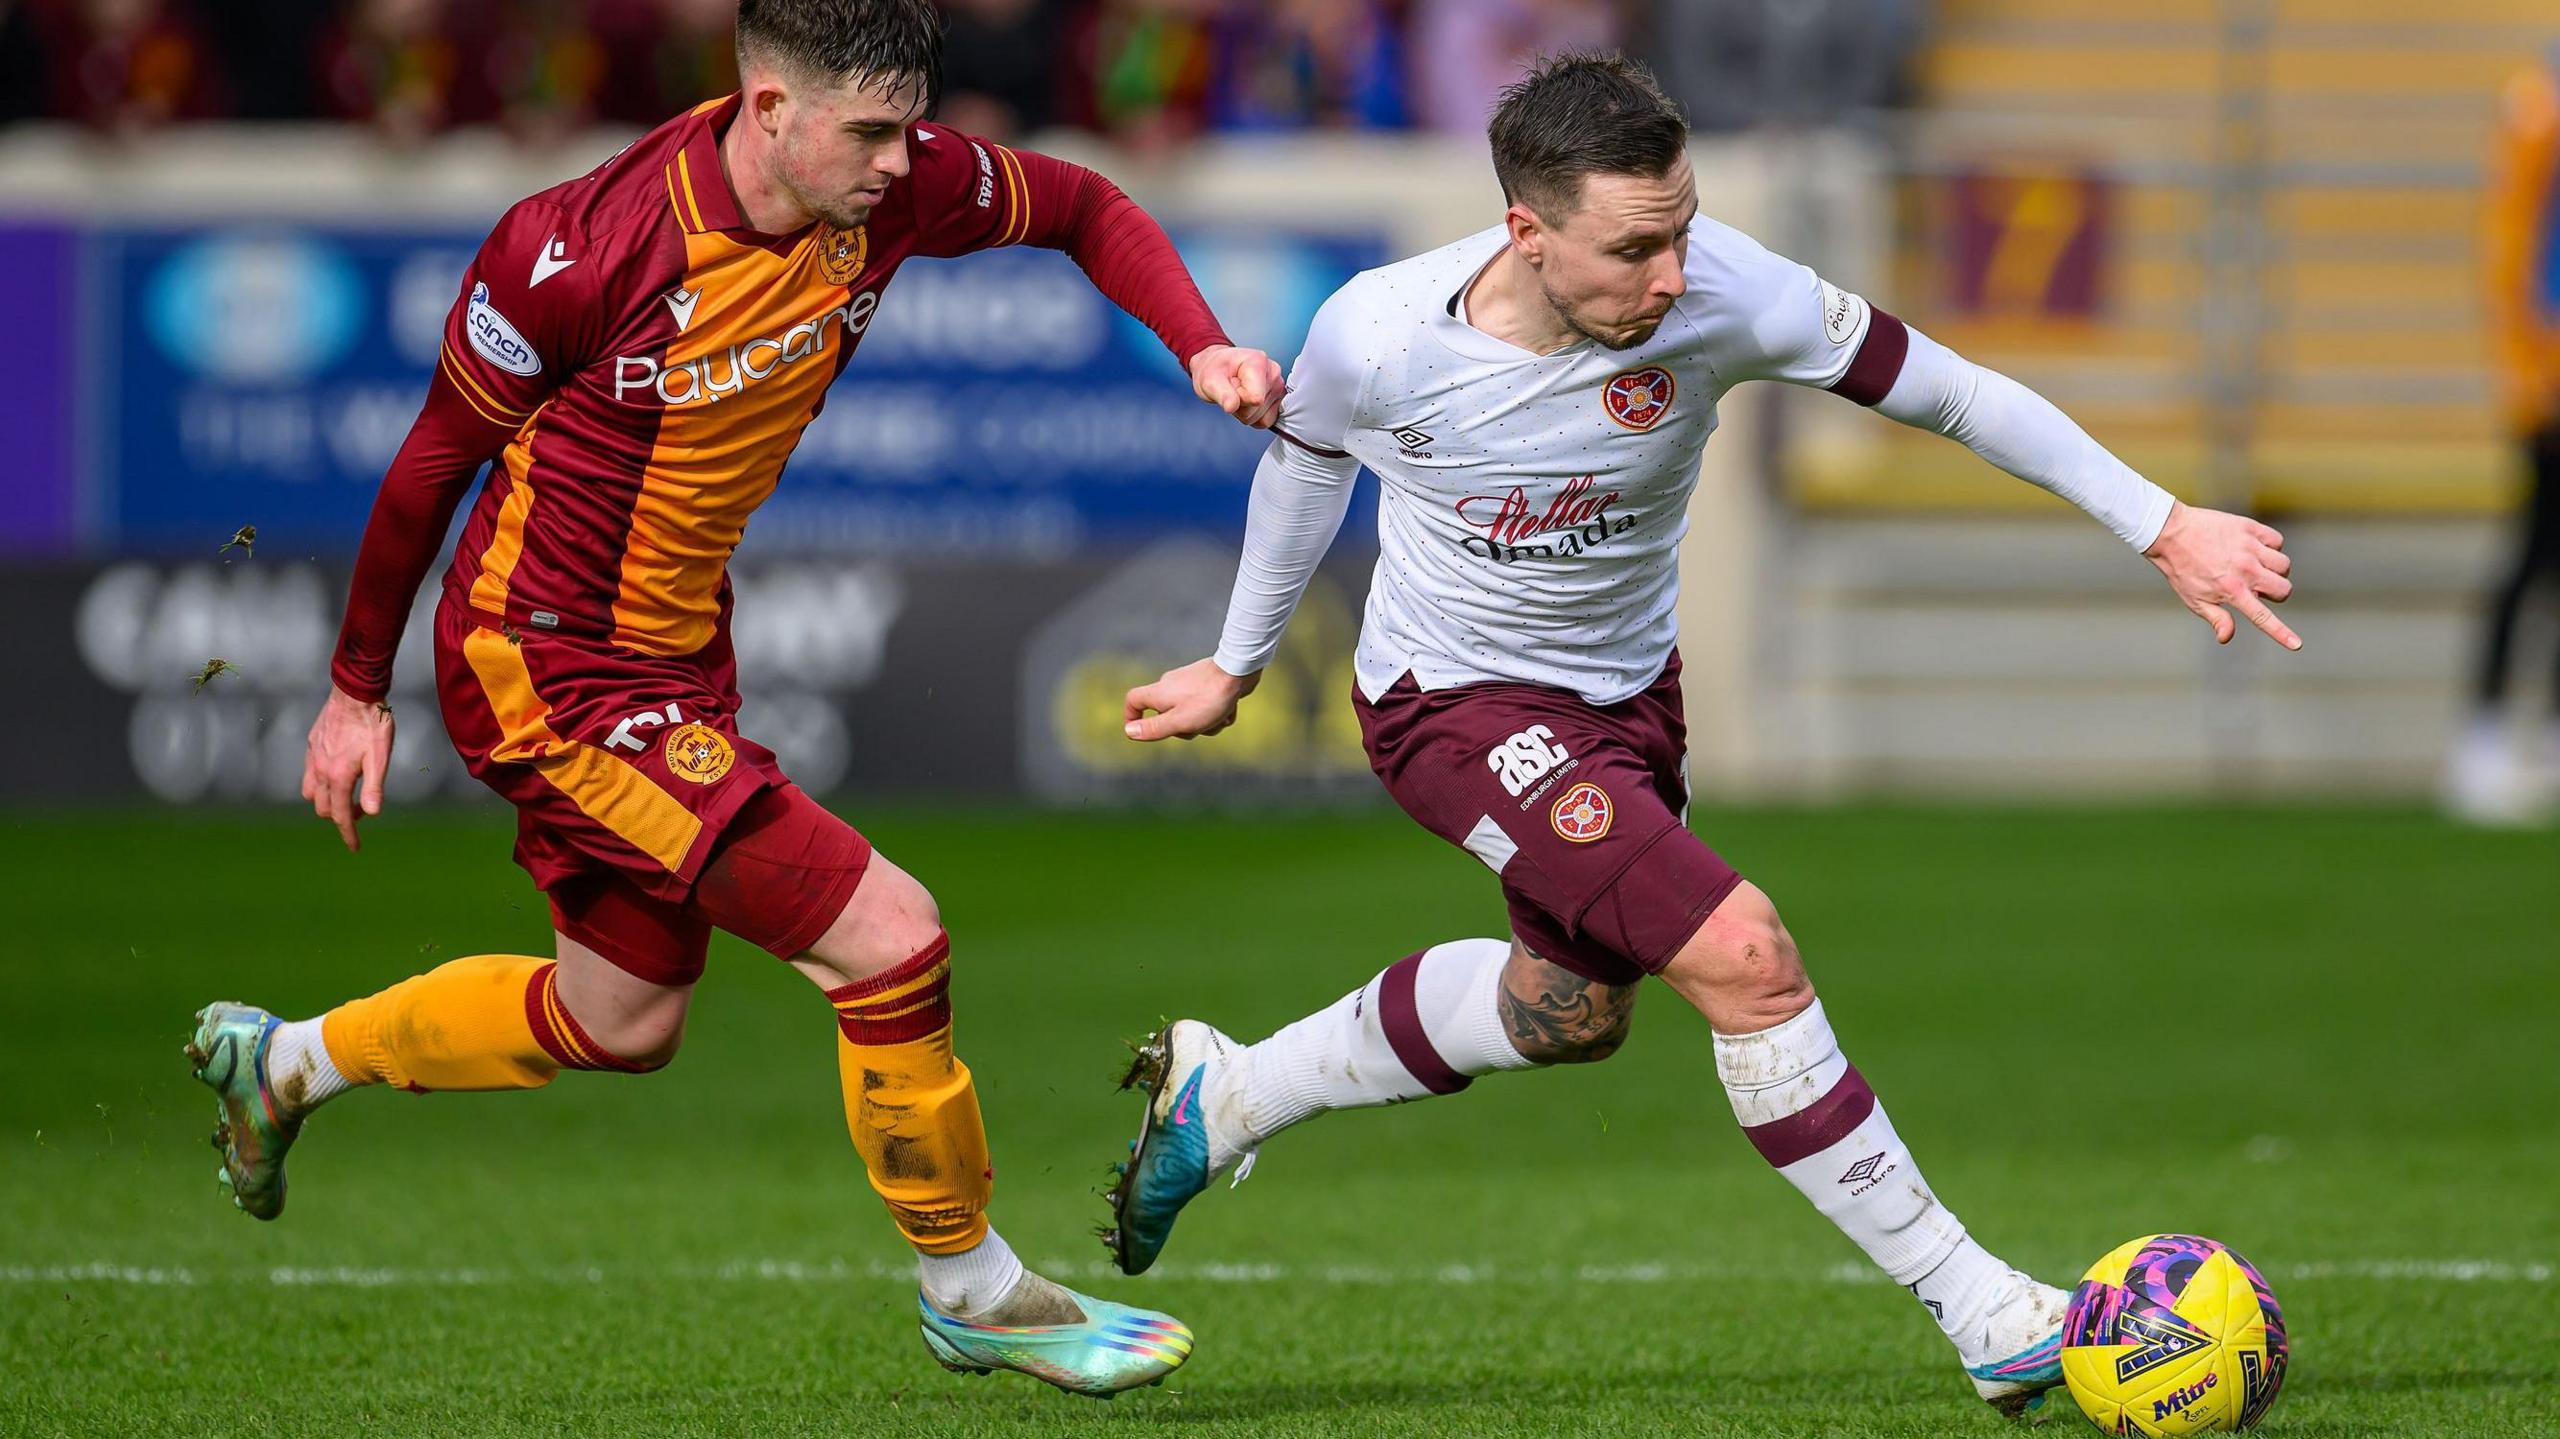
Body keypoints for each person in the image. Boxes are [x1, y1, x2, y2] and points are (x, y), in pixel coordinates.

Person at [1109, 52, 2298, 1418]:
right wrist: (1237, 660)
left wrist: (2163, 522)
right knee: (1747, 956)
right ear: (1526, 231)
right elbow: (1308, 462)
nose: (1670, 275)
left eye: (1680, 230)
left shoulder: (1729, 289)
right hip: (1454, 704)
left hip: (1625, 706)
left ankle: (1232, 1092)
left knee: (1565, 1014)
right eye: (1633, 248)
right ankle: (1988, 1311)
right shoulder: (1376, 333)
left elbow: (1956, 391)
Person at [184, 0, 1282, 1397]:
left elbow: (1082, 203)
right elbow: (429, 463)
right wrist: (353, 691)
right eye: (872, 132)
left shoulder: (884, 188)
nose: (903, 161)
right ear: (770, 111)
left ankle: (282, 1063)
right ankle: (974, 1286)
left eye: (909, 125)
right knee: (890, 936)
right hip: (546, 663)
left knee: (621, 1016)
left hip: (675, 649)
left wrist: (1199, 343)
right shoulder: (576, 247)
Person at [2446, 45, 2560, 825]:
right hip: (2550, 387)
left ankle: (2544, 737)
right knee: (2531, 555)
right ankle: (2483, 738)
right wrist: (2531, 377)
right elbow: (2521, 259)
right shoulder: (2539, 111)